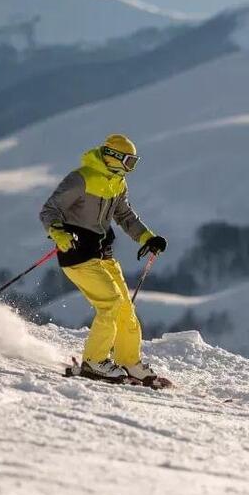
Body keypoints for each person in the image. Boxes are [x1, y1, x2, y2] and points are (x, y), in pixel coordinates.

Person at [40, 134, 168, 382]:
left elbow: (125, 216)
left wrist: (147, 238)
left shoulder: (118, 183)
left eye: (134, 163)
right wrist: (58, 232)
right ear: (114, 157)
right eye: (129, 162)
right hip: (77, 255)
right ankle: (94, 362)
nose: (131, 169)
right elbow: (50, 209)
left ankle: (129, 363)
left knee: (125, 310)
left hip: (103, 255)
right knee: (109, 304)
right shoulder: (81, 178)